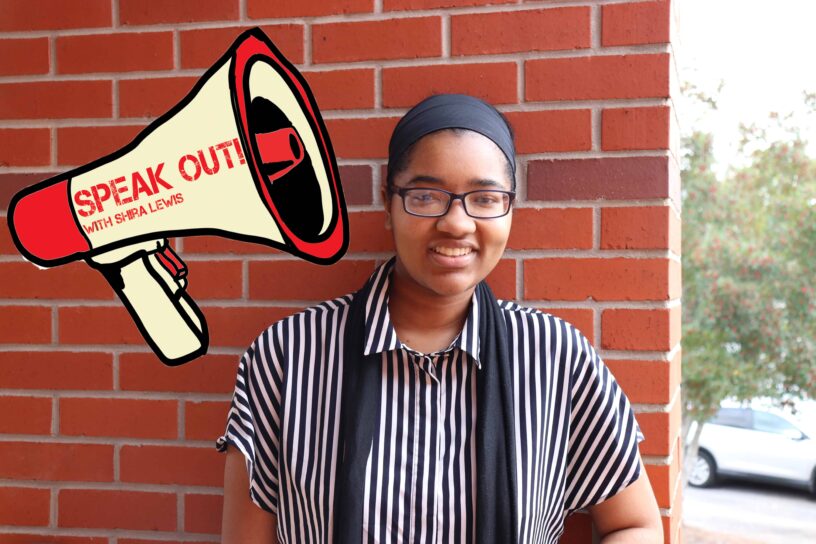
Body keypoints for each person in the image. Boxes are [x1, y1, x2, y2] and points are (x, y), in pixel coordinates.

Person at [218, 94, 663, 543]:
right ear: (387, 202)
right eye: (426, 195)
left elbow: (634, 524)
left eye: (485, 198)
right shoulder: (287, 355)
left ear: (510, 208)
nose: (455, 223)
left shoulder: (555, 358)